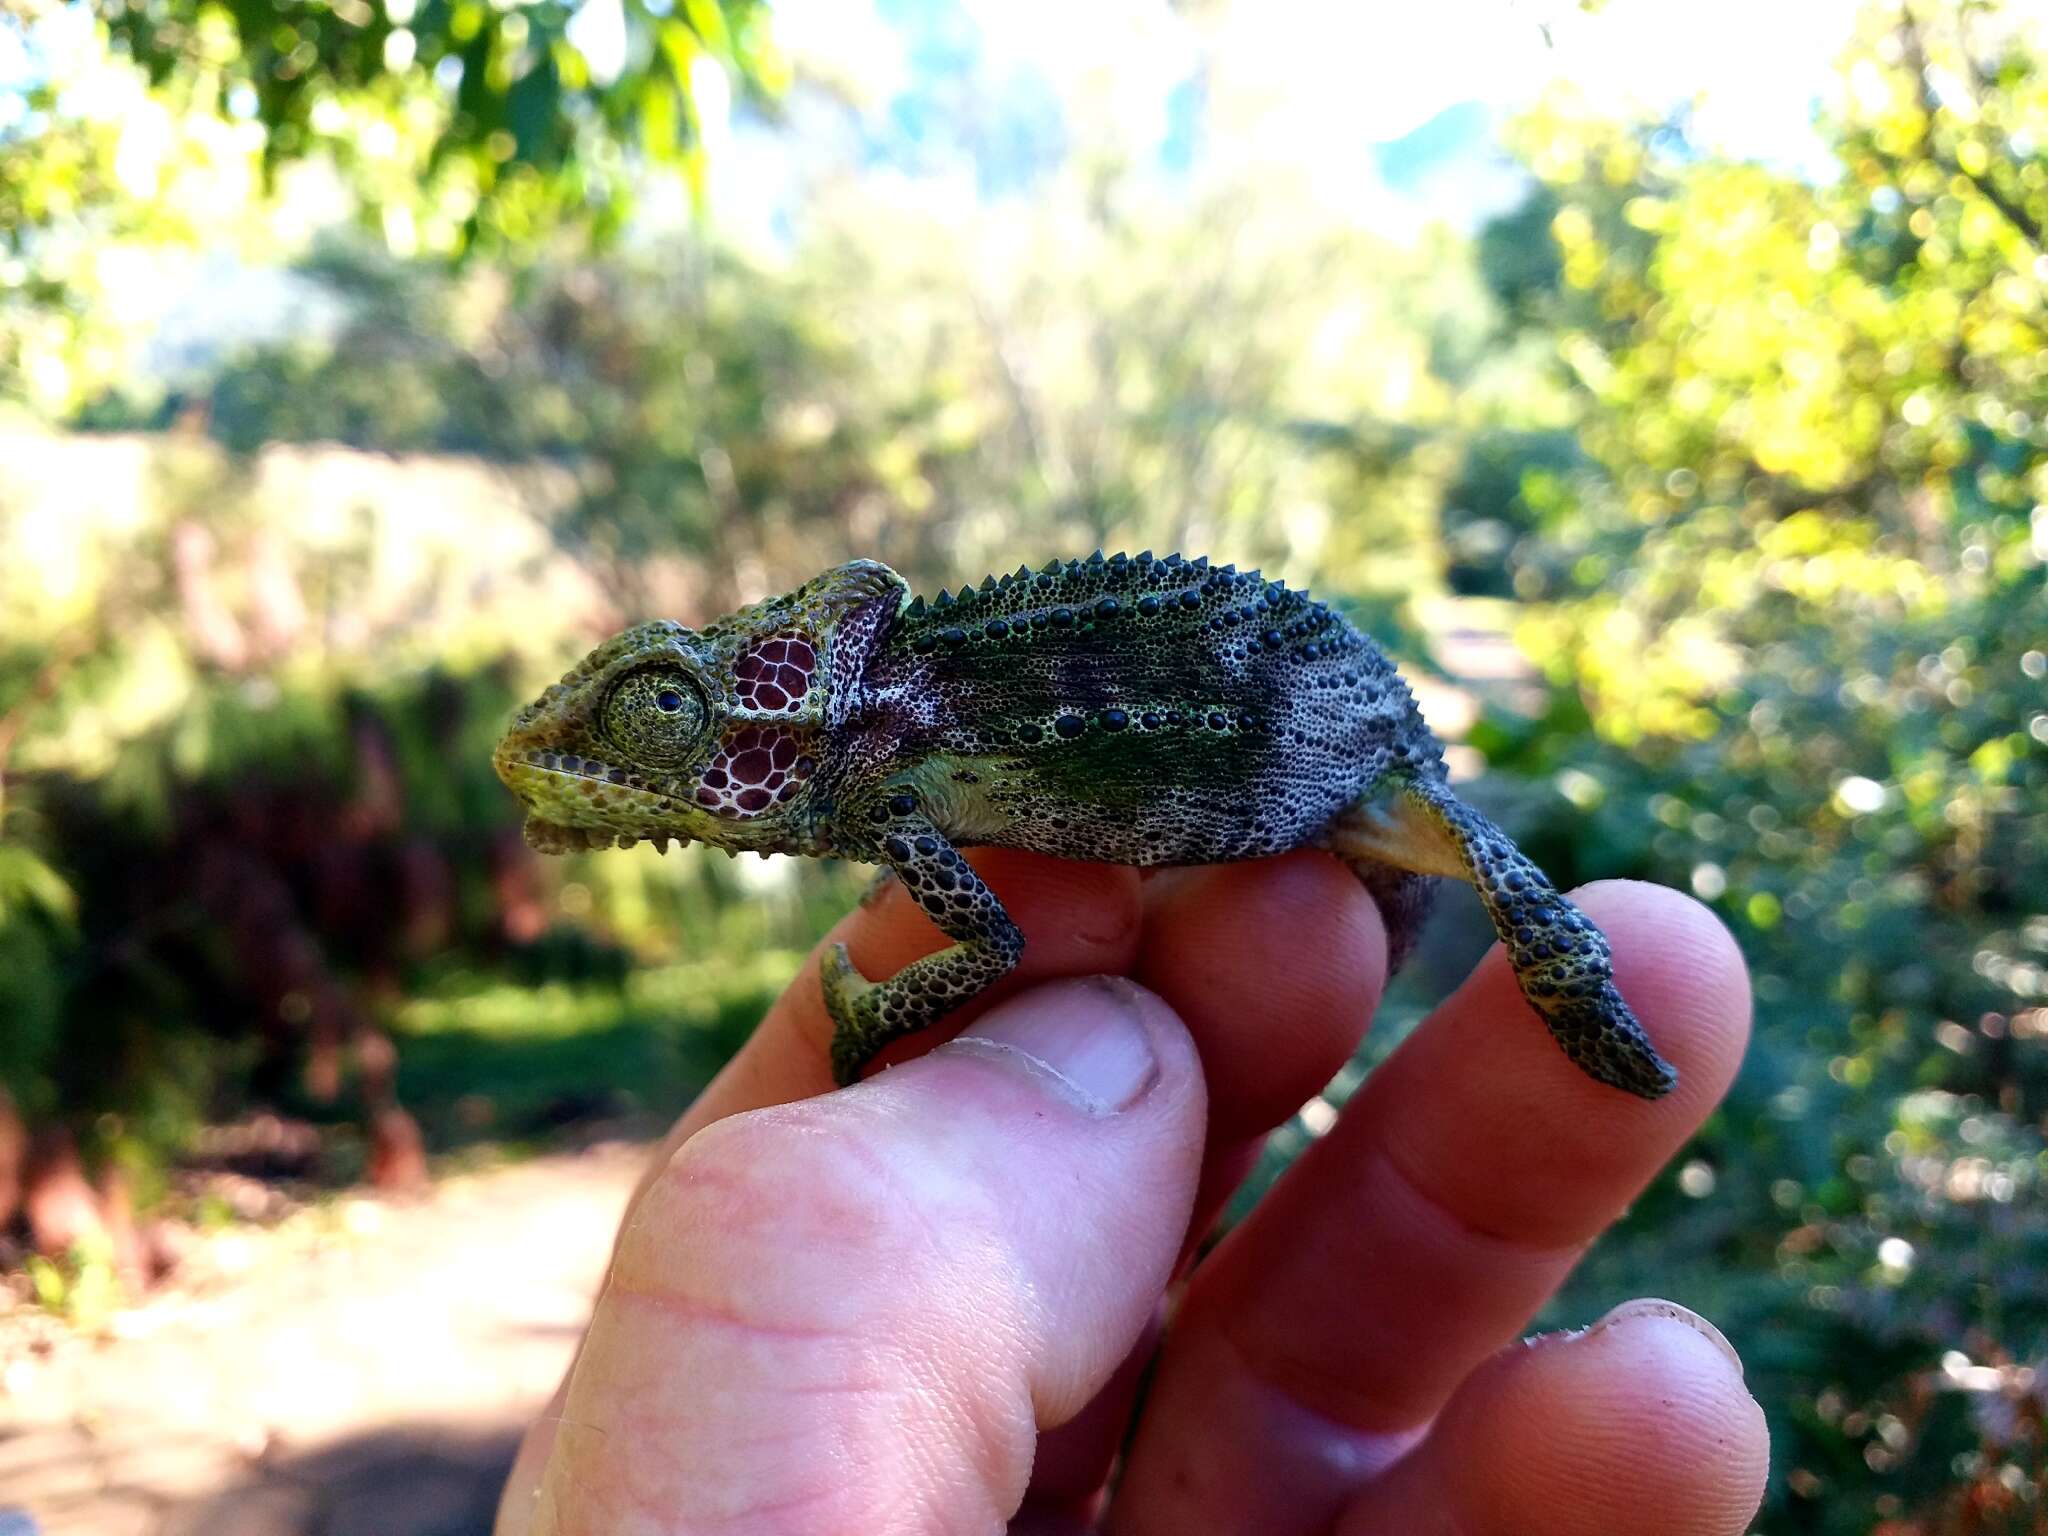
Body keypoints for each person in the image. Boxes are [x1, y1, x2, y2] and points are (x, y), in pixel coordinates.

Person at [496, 850, 1768, 1535]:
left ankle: (1574, 980)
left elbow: (992, 941)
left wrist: (877, 1010)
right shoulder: (917, 788)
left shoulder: (919, 778)